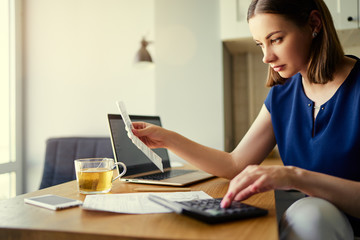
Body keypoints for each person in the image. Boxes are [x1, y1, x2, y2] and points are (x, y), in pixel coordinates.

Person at [132, 0, 360, 239]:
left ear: (314, 23)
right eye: (260, 44)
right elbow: (235, 164)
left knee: (312, 214)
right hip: (325, 225)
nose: (266, 56)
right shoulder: (282, 95)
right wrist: (167, 138)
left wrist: (294, 176)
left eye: (276, 39)